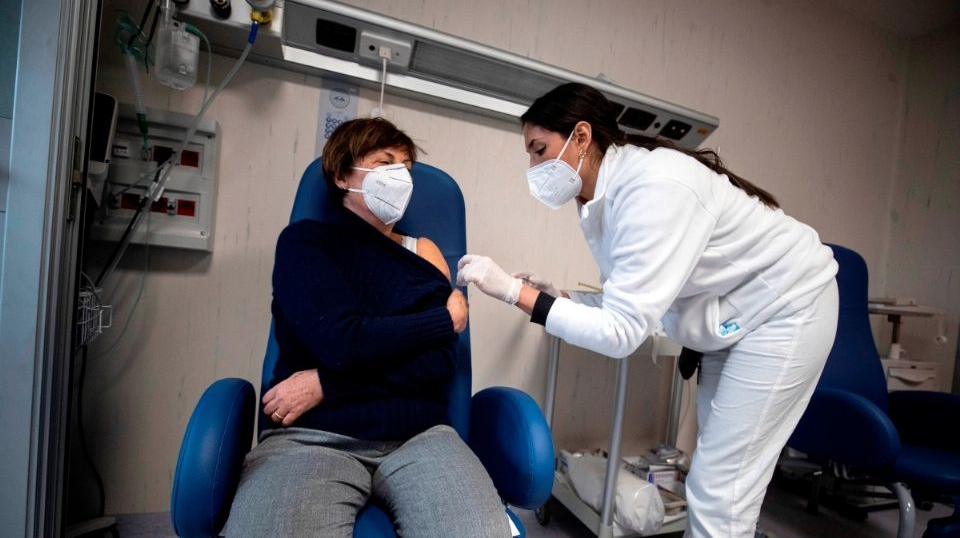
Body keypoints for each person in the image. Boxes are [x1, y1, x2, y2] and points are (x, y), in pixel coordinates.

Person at [457, 83, 839, 537]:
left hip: (785, 310)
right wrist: (563, 299)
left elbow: (622, 334)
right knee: (714, 479)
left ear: (580, 137)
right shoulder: (603, 198)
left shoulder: (655, 186)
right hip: (732, 320)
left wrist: (513, 293)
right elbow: (633, 299)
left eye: (539, 150)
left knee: (724, 487)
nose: (534, 166)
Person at [225, 118, 510, 537]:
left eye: (406, 167)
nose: (400, 176)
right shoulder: (306, 243)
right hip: (312, 435)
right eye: (384, 162)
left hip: (420, 434)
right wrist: (441, 319)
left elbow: (436, 363)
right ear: (342, 176)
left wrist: (327, 385)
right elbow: (343, 340)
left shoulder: (423, 252)